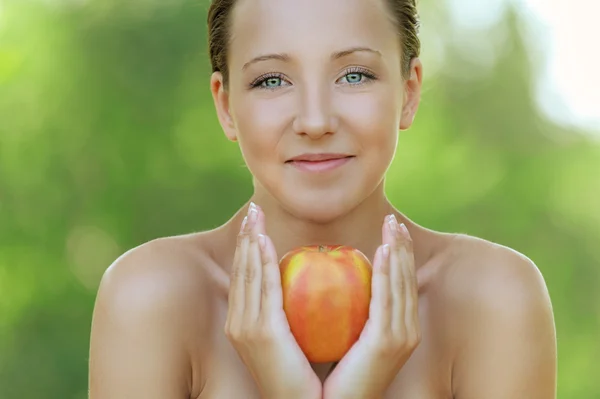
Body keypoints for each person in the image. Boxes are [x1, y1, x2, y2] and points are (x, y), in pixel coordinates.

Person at [88, 0, 557, 397]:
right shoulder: (151, 299)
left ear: (409, 92)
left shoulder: (493, 299)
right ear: (226, 106)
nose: (315, 121)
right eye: (271, 80)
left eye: (354, 75)